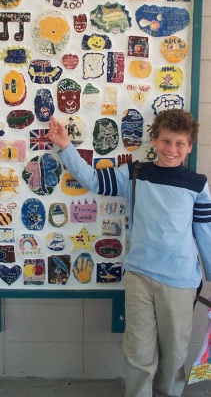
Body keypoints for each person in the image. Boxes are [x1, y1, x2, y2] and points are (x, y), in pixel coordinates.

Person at [48, 109, 211, 397]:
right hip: (139, 277)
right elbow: (95, 182)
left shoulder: (197, 184)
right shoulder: (135, 173)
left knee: (174, 354)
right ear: (154, 140)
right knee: (138, 351)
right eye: (166, 141)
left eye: (180, 143)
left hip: (180, 282)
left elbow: (205, 233)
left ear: (189, 146)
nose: (172, 149)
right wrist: (65, 146)